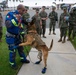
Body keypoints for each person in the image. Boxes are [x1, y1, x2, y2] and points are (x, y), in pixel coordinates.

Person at [5, 4, 30, 69]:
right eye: (23, 10)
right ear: (19, 9)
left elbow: (20, 26)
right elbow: (8, 25)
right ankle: (12, 63)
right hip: (11, 37)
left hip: (17, 37)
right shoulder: (10, 14)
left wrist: (23, 34)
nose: (24, 11)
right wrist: (16, 19)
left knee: (21, 48)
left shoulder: (20, 16)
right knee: (13, 51)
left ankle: (23, 59)